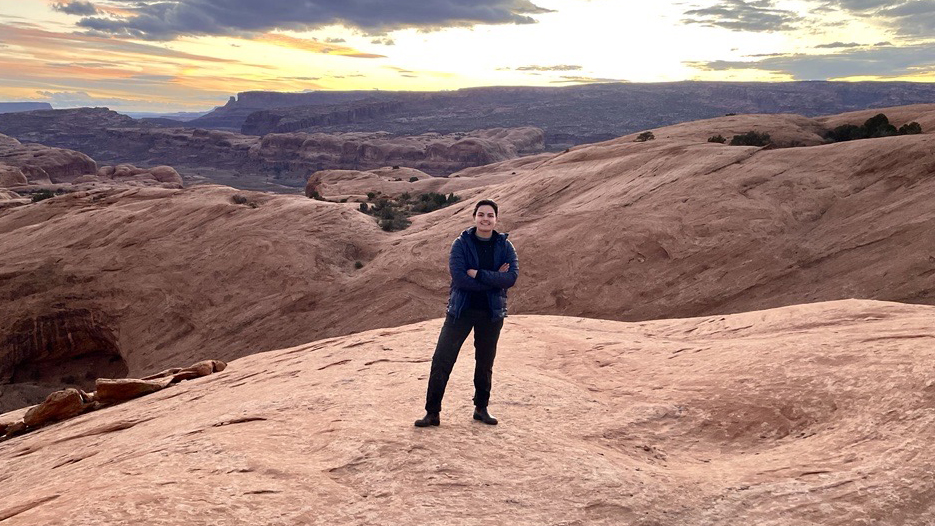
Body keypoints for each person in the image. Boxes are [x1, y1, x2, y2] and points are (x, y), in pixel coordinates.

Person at [415, 199, 519, 428]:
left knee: (485, 362)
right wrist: (493, 279)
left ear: (496, 219)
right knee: (442, 359)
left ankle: (481, 408)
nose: (485, 219)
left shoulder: (505, 246)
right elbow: (460, 279)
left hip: (491, 313)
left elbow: (510, 278)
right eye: (481, 214)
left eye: (490, 215)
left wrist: (478, 274)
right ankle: (432, 412)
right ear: (474, 217)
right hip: (460, 311)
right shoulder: (461, 244)